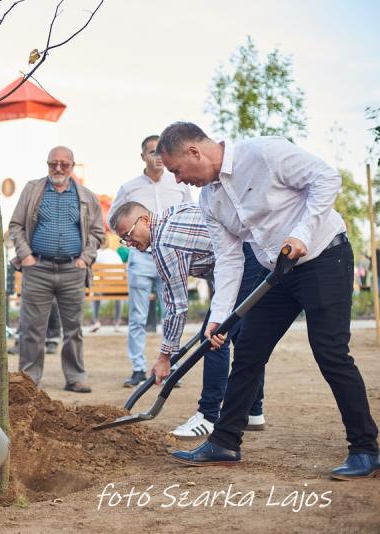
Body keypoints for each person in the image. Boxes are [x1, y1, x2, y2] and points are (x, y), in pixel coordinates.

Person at [157, 121, 379, 479]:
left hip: (324, 256)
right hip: (275, 272)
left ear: (194, 152)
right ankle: (225, 442)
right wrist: (219, 317)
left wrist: (302, 232)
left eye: (176, 170)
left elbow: (326, 178)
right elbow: (228, 259)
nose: (179, 180)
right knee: (248, 351)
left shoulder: (263, 152)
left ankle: (366, 449)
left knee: (330, 351)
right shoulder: (209, 198)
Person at [109, 201, 267, 439]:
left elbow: (177, 307)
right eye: (124, 240)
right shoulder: (173, 212)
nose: (130, 244)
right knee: (242, 336)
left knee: (214, 338)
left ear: (144, 220)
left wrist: (165, 358)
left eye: (129, 236)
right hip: (254, 253)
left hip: (247, 258)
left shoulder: (163, 243)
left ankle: (208, 416)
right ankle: (252, 411)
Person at [9, 145, 105, 393]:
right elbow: (16, 225)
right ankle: (28, 380)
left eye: (64, 164)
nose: (58, 168)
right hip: (37, 268)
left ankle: (75, 377)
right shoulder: (33, 189)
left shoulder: (86, 195)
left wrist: (85, 258)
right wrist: (26, 256)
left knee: (74, 328)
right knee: (31, 328)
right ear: (47, 164)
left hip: (73, 270)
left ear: (73, 166)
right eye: (53, 163)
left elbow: (97, 232)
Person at [109, 135, 192, 387]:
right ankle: (138, 367)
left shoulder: (177, 184)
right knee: (137, 315)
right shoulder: (129, 188)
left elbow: (190, 213)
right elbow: (113, 219)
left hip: (172, 257)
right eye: (152, 152)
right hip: (142, 259)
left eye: (160, 152)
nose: (157, 157)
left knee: (172, 311)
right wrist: (132, 241)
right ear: (143, 156)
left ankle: (171, 364)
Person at [89, 237, 123, 332]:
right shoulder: (115, 254)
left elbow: (92, 267)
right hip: (119, 288)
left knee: (96, 293)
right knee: (119, 297)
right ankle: (117, 324)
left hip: (105, 288)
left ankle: (95, 321)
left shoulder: (99, 254)